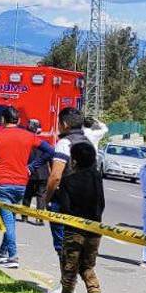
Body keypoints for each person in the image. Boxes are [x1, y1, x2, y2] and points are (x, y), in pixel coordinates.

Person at [0, 107, 54, 268]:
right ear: (18, 120)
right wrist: (31, 167)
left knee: (8, 220)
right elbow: (50, 151)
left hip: (1, 183)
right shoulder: (29, 136)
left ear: (3, 119)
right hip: (21, 184)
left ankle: (13, 256)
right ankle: (2, 251)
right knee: (10, 219)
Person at [54, 142, 108, 293]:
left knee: (69, 269)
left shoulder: (68, 180)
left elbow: (64, 208)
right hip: (94, 229)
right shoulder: (96, 177)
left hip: (74, 230)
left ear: (74, 160)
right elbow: (101, 204)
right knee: (87, 265)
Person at [43, 107, 94, 258]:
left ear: (64, 124)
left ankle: (66, 281)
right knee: (77, 243)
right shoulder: (88, 143)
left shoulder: (65, 143)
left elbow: (55, 176)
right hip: (85, 201)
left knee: (62, 245)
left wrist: (47, 198)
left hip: (64, 200)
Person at [21, 119, 51, 227]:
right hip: (43, 173)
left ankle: (24, 216)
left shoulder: (25, 141)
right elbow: (50, 157)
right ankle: (39, 218)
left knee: (27, 194)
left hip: (29, 172)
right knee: (41, 195)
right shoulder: (44, 143)